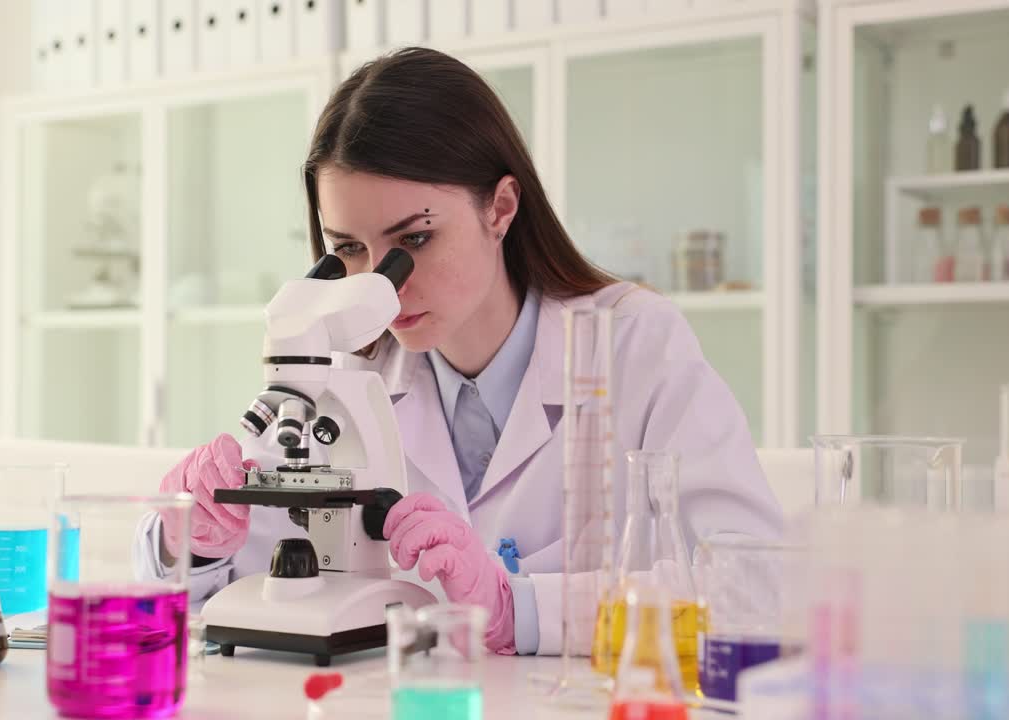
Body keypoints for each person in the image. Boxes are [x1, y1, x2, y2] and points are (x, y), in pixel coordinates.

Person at [144, 47, 782, 656]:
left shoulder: (636, 345)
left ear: (500, 208)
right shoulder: (345, 377)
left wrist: (521, 610)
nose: (381, 289)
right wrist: (192, 538)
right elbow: (221, 593)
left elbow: (756, 589)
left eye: (414, 239)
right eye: (347, 250)